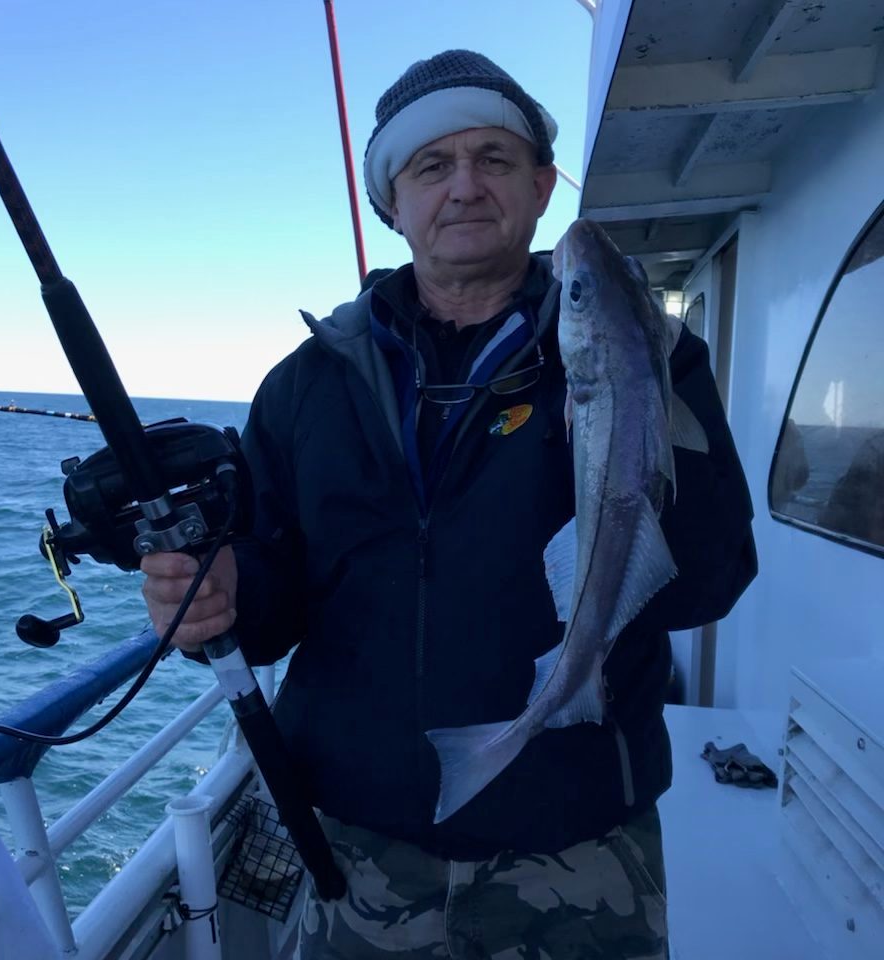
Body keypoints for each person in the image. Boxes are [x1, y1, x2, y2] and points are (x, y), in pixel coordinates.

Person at [142, 50, 757, 960]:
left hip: (582, 841)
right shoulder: (305, 385)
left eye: (495, 159)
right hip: (358, 844)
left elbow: (709, 580)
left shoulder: (645, 348)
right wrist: (222, 594)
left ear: (543, 185)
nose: (465, 186)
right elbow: (272, 604)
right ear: (391, 202)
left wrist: (645, 387)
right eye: (431, 166)